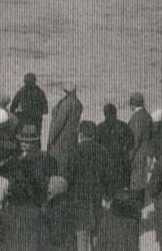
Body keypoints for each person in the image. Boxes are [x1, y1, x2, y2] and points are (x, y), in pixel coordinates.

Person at [72, 120, 112, 251]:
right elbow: (107, 176)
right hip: (97, 194)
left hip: (79, 196)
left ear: (81, 134)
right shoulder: (103, 150)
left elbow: (70, 174)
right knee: (96, 228)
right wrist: (108, 196)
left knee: (82, 230)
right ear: (94, 135)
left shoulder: (75, 151)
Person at [47, 82, 82, 177]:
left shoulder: (66, 104)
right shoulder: (78, 103)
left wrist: (50, 140)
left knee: (58, 166)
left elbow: (58, 124)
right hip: (71, 138)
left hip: (60, 140)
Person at [10, 73, 48, 146]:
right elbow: (45, 110)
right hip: (36, 122)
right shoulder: (40, 93)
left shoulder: (21, 92)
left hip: (23, 122)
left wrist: (19, 113)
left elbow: (12, 108)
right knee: (35, 141)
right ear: (35, 81)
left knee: (21, 142)